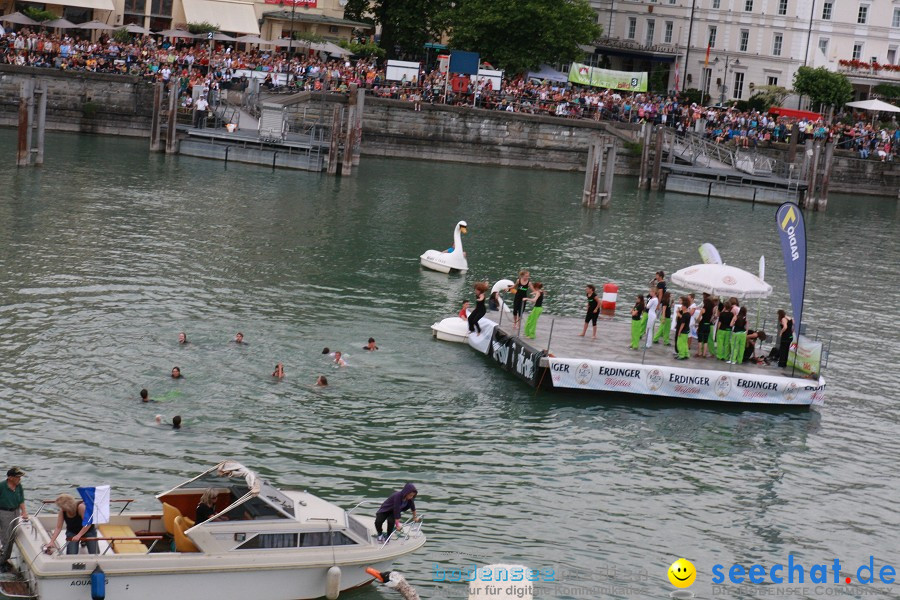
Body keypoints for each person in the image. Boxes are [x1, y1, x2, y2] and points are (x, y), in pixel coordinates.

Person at [0, 467, 28, 566]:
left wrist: (24, 512)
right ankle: (2, 561)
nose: (19, 479)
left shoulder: (19, 486)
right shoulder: (2, 486)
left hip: (16, 511)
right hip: (4, 512)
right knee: (6, 538)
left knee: (12, 537)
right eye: (18, 477)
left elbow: (21, 500)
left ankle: (5, 559)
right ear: (11, 478)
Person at [644, 285, 659, 349]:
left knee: (648, 329)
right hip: (652, 314)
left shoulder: (653, 299)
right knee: (650, 329)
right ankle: (649, 343)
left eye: (650, 292)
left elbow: (647, 306)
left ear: (653, 292)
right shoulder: (656, 299)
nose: (650, 293)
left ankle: (648, 344)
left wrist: (644, 303)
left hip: (651, 314)